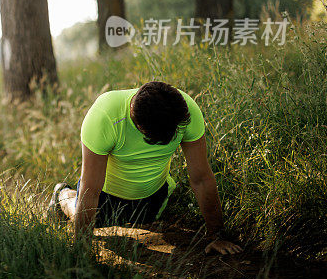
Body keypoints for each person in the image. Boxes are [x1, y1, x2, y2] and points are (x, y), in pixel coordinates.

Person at [48, 81, 242, 255]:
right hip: (106, 195)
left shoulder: (185, 112)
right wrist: (82, 249)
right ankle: (62, 195)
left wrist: (216, 235)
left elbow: (201, 178)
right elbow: (91, 191)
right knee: (87, 215)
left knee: (146, 219)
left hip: (154, 194)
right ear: (138, 125)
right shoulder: (105, 116)